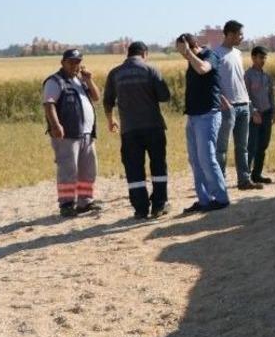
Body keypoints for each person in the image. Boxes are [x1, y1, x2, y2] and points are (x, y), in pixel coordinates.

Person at [103, 41, 172, 219]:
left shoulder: (115, 73)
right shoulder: (151, 70)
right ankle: (159, 205)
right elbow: (165, 96)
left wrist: (111, 120)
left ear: (128, 53)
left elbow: (108, 100)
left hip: (129, 130)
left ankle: (140, 209)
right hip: (153, 126)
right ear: (144, 54)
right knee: (158, 166)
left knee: (134, 170)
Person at [42, 49, 102, 217]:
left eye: (78, 62)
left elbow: (96, 97)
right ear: (63, 63)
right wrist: (56, 125)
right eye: (71, 62)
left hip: (87, 135)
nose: (75, 65)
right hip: (66, 135)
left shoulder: (80, 81)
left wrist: (89, 80)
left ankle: (85, 202)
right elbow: (49, 104)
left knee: (88, 170)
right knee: (68, 170)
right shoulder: (55, 81)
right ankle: (67, 204)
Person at [176, 33, 230, 213]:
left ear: (193, 45)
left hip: (208, 115)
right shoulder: (191, 60)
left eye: (183, 50)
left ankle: (221, 198)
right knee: (195, 160)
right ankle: (205, 200)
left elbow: (203, 69)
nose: (182, 54)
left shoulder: (209, 55)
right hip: (193, 117)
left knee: (207, 158)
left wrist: (189, 55)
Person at [213, 20, 260, 190]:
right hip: (227, 107)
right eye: (240, 34)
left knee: (243, 147)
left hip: (244, 105)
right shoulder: (215, 54)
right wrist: (221, 99)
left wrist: (250, 104)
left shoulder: (238, 53)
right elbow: (211, 81)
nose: (242, 37)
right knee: (222, 148)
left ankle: (244, 180)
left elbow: (240, 80)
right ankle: (220, 182)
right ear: (230, 34)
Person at [245, 45, 275, 184]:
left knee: (263, 145)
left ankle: (256, 174)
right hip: (254, 115)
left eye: (265, 57)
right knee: (251, 146)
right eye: (260, 57)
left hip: (267, 114)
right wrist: (253, 112)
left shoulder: (267, 76)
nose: (263, 60)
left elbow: (270, 94)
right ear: (253, 57)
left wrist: (274, 110)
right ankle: (245, 177)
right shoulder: (247, 75)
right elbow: (246, 96)